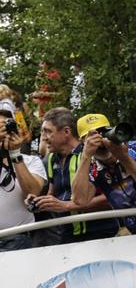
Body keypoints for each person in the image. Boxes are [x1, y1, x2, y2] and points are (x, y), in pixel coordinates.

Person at [31, 107, 118, 244]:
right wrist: (40, 201)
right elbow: (53, 193)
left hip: (100, 234)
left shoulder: (93, 153)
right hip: (66, 235)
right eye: (42, 132)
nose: (43, 138)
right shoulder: (52, 159)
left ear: (66, 132)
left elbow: (112, 196)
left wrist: (67, 206)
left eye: (47, 131)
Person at [71, 114, 136, 235]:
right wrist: (86, 155)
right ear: (82, 142)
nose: (100, 141)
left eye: (103, 132)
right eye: (92, 137)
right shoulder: (91, 167)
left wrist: (123, 157)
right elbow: (80, 200)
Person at [0, 98, 47, 251]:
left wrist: (14, 154)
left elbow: (32, 192)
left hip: (20, 241)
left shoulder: (32, 161)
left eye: (7, 126)